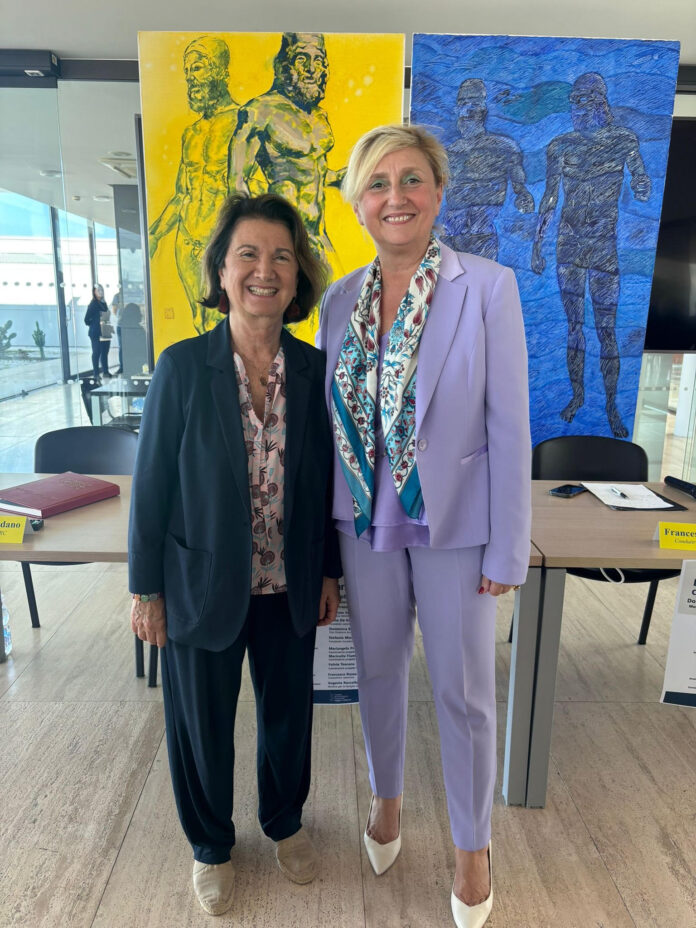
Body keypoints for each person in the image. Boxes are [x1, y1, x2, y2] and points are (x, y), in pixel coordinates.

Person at [317, 125, 531, 928]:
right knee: (376, 671)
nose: (395, 196)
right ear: (358, 204)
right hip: (362, 520)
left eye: (411, 179)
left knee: (463, 690)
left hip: (457, 524)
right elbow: (330, 429)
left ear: (438, 193)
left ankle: (473, 848)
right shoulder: (339, 300)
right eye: (377, 183)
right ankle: (387, 800)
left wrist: (509, 546)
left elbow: (510, 424)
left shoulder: (488, 287)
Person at [129, 193, 341, 917]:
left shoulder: (313, 370)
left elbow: (325, 481)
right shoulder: (182, 367)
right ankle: (210, 845)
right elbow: (151, 486)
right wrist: (145, 589)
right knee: (200, 725)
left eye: (281, 256)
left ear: (297, 275)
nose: (264, 270)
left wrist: (330, 569)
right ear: (221, 271)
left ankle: (284, 821)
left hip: (289, 580)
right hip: (200, 581)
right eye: (247, 254)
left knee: (288, 718)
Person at [531, 72, 651, 438]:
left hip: (602, 247)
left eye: (583, 101)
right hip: (568, 246)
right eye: (573, 102)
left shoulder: (624, 140)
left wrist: (642, 186)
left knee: (606, 329)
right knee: (574, 327)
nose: (576, 108)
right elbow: (550, 198)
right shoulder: (560, 146)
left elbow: (641, 180)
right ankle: (578, 396)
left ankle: (612, 405)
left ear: (601, 102)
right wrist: (537, 245)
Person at [148, 35, 240, 334]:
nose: (191, 78)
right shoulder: (191, 133)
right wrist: (155, 234)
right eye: (188, 71)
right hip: (186, 243)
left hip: (222, 247)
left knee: (223, 324)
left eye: (198, 68)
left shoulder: (243, 123)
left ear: (220, 71)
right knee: (200, 323)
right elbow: (182, 195)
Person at [229, 33, 345, 266]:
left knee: (346, 287)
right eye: (302, 59)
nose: (311, 69)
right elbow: (237, 183)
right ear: (285, 65)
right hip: (281, 242)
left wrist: (342, 177)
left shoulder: (319, 117)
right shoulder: (259, 111)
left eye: (318, 60)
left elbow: (312, 171)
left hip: (317, 235)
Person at [444, 78, 534, 260]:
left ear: (483, 110)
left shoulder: (505, 149)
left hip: (482, 238)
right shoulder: (448, 154)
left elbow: (522, 192)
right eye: (463, 104)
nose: (468, 110)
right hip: (451, 238)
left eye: (474, 104)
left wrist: (524, 201)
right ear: (457, 110)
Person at [84, 284, 110, 380]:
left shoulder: (103, 303)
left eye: (102, 290)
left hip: (105, 330)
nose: (101, 292)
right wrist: (95, 324)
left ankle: (106, 372)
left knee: (105, 352)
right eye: (98, 290)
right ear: (94, 292)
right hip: (96, 332)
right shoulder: (93, 304)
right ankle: (96, 374)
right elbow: (86, 320)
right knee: (96, 352)